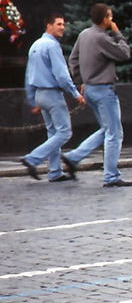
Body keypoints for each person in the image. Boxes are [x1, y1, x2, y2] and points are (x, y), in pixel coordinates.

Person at [62, 3, 132, 188]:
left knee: (106, 129)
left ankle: (73, 157)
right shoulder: (101, 38)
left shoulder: (84, 34)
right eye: (110, 16)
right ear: (105, 19)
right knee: (114, 133)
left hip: (90, 89)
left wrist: (81, 82)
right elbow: (124, 53)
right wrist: (117, 32)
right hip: (104, 91)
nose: (112, 20)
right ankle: (111, 176)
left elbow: (73, 59)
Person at [20, 13, 85, 181]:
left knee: (53, 133)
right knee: (64, 133)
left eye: (63, 24)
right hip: (52, 94)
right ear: (49, 26)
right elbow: (62, 75)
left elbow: (29, 75)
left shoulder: (35, 45)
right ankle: (32, 159)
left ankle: (55, 172)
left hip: (40, 95)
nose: (62, 27)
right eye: (59, 24)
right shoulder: (52, 46)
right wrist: (75, 94)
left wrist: (32, 99)